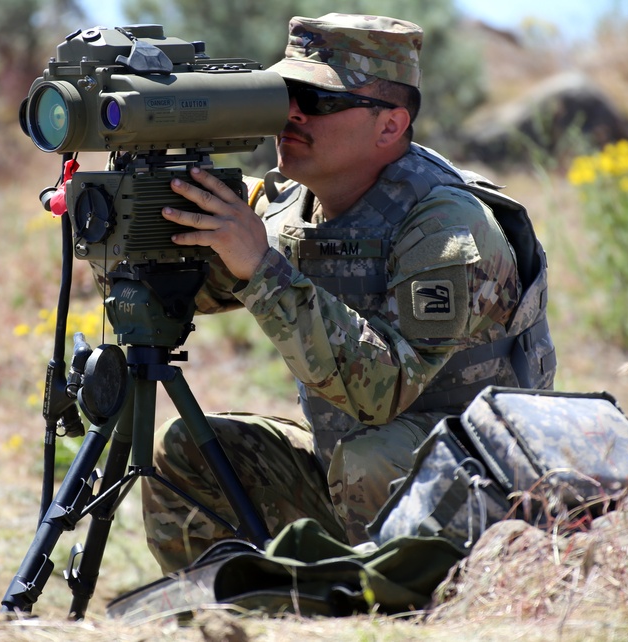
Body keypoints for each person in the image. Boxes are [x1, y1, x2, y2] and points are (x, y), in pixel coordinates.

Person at [144, 13, 556, 573]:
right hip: (347, 469)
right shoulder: (290, 201)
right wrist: (142, 225)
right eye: (286, 92)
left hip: (475, 492)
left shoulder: (446, 228)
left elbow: (382, 392)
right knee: (186, 448)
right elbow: (196, 295)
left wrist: (260, 267)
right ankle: (233, 619)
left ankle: (392, 612)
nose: (290, 113)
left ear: (389, 127)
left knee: (370, 456)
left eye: (317, 100)